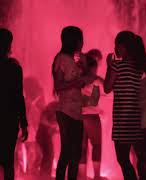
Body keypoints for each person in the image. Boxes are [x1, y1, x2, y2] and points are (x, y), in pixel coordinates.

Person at [52, 26, 96, 180]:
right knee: (67, 151)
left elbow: (88, 77)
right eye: (80, 40)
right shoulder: (61, 59)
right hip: (65, 111)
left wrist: (84, 69)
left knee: (76, 152)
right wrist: (76, 83)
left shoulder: (79, 58)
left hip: (77, 111)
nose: (82, 43)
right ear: (74, 41)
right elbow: (58, 86)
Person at [104, 31, 146, 180]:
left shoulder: (117, 66)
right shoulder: (139, 68)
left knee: (123, 158)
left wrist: (109, 65)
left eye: (117, 46)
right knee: (140, 158)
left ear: (124, 47)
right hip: (136, 118)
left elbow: (107, 88)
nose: (115, 49)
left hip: (123, 120)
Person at [0, 28, 28, 180]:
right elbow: (18, 97)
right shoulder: (14, 68)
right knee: (7, 160)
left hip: (8, 119)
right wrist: (23, 123)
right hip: (9, 120)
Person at [79, 56, 105, 180]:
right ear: (93, 68)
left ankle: (82, 176)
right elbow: (108, 88)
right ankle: (96, 176)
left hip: (79, 117)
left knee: (82, 148)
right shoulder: (96, 80)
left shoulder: (77, 80)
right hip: (92, 117)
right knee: (96, 146)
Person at [36, 101, 59, 178]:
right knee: (49, 155)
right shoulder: (53, 106)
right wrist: (52, 126)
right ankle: (44, 176)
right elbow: (42, 120)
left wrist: (56, 130)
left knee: (48, 156)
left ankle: (44, 176)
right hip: (43, 135)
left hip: (46, 135)